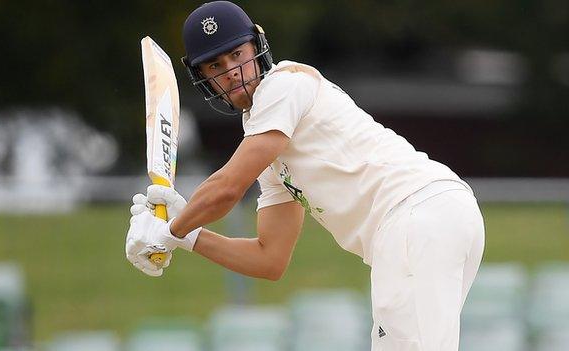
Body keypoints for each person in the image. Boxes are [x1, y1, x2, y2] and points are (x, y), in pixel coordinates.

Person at [125, 1, 485, 350]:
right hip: (434, 219)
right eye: (216, 65)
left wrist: (169, 230)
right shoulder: (269, 147)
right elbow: (270, 259)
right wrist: (189, 237)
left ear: (257, 48)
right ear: (203, 78)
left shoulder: (283, 86)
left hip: (414, 216)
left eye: (237, 54)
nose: (232, 70)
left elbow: (227, 188)